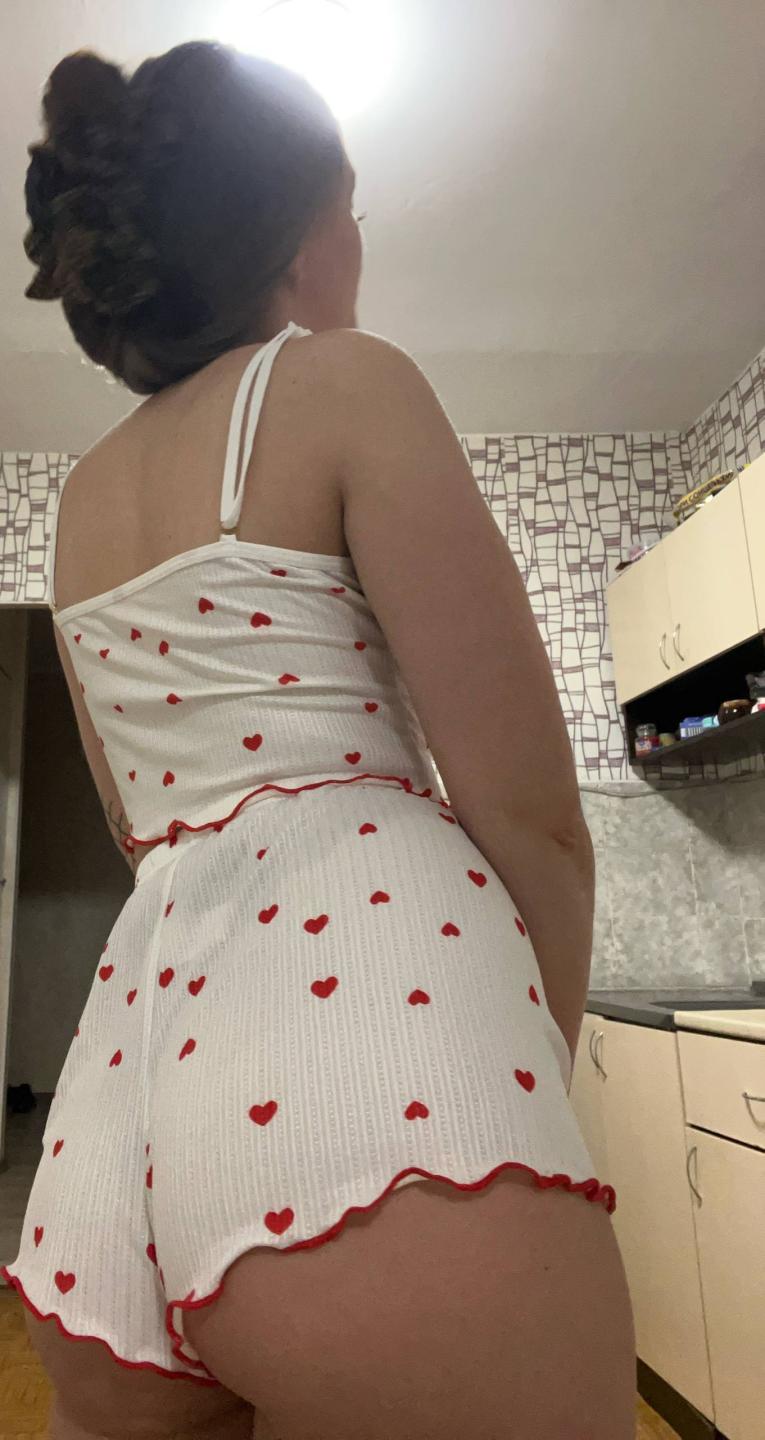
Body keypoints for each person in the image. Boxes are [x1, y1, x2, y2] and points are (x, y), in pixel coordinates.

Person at [4, 40, 635, 1440]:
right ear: (302, 242)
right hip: (367, 1066)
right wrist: (516, 1064)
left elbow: (141, 826)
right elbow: (532, 815)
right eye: (352, 210)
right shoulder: (346, 381)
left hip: (130, 1112)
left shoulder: (83, 502)